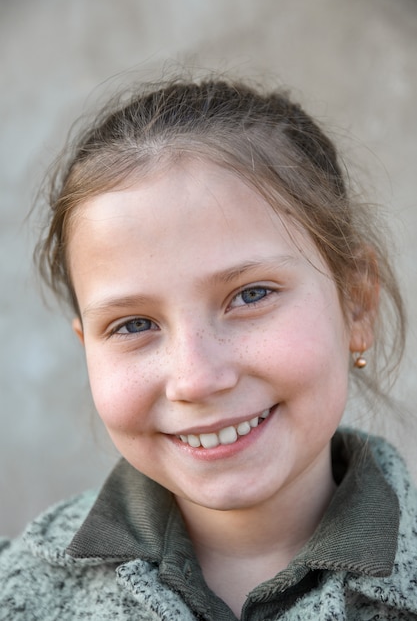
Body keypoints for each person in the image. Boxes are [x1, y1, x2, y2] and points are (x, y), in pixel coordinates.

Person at [1, 75, 416, 621]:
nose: (196, 378)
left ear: (356, 304)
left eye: (250, 295)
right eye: (132, 325)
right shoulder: (23, 596)